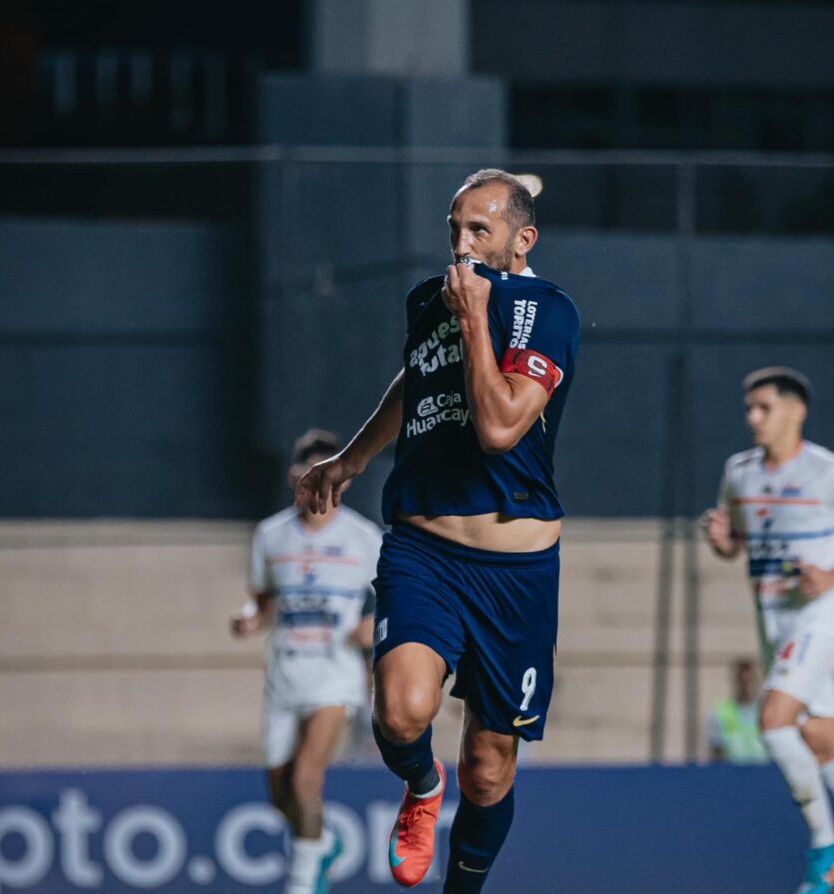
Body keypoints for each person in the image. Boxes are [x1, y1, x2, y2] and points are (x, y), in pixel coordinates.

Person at [297, 169, 579, 892]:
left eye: (478, 230)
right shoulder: (432, 300)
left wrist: (477, 319)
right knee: (400, 713)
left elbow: (498, 427)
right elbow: (418, 377)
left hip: (516, 574)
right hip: (424, 548)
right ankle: (422, 788)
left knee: (488, 769)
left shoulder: (547, 312)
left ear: (523, 239)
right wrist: (352, 457)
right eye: (454, 230)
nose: (461, 245)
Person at [704, 366, 834, 894]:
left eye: (764, 408)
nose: (753, 417)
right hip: (774, 624)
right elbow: (735, 541)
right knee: (825, 744)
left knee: (774, 722)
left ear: (795, 412)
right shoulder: (739, 472)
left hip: (820, 618)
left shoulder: (832, 473)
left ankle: (825, 846)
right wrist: (720, 540)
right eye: (749, 408)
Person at [231, 429, 383, 894]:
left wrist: (371, 627)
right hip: (284, 674)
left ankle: (301, 885)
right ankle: (326, 843)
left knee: (304, 779)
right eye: (307, 475)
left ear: (342, 480)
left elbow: (390, 601)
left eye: (326, 476)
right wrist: (250, 620)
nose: (316, 486)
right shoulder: (271, 536)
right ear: (295, 477)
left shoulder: (364, 538)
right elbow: (264, 600)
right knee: (281, 794)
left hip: (335, 675)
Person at [708, 657, 768, 764]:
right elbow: (716, 753)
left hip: (765, 773)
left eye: (749, 680)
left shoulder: (767, 711)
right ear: (735, 681)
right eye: (742, 680)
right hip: (733, 775)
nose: (746, 685)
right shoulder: (721, 712)